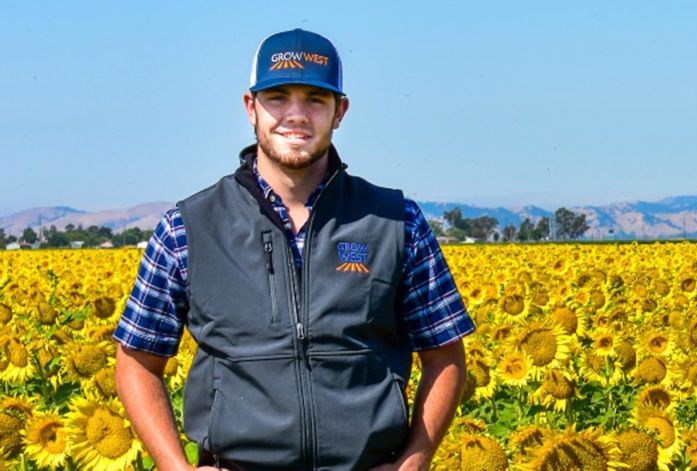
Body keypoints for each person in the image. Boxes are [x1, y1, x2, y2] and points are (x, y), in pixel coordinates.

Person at [113, 29, 474, 470]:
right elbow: (136, 361)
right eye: (278, 97)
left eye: (315, 100)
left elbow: (445, 353)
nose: (296, 115)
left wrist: (415, 459)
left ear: (340, 111)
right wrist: (175, 466)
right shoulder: (187, 228)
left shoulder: (396, 222)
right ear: (251, 108)